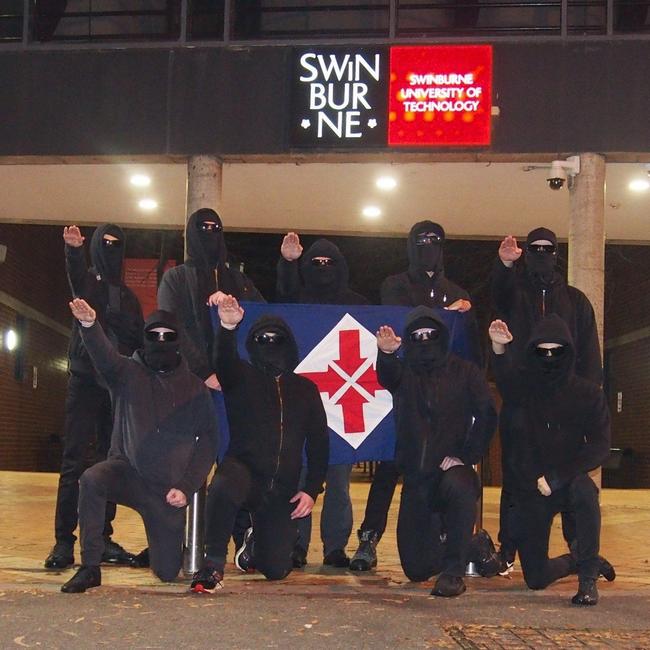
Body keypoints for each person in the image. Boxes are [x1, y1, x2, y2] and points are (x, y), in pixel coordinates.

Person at [60, 299, 219, 593]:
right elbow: (103, 355)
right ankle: (90, 566)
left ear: (178, 341)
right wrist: (89, 326)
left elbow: (209, 441)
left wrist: (186, 486)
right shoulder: (125, 374)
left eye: (167, 336)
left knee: (167, 572)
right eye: (154, 335)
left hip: (167, 491)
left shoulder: (196, 389)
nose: (160, 342)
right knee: (92, 479)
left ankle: (159, 546)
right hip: (127, 473)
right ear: (145, 339)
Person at [351, 220, 477, 572]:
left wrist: (467, 317)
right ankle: (369, 537)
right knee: (389, 466)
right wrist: (442, 316)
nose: (428, 247)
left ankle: (451, 539)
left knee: (443, 469)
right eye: (421, 241)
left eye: (434, 241)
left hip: (443, 401)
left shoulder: (458, 292)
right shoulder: (394, 285)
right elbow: (406, 321)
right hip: (402, 394)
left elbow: (468, 349)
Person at [190, 295, 329, 592]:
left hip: (281, 487)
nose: (270, 344)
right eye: (262, 339)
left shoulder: (306, 389)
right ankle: (212, 564)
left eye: (276, 339)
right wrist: (227, 328)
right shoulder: (241, 376)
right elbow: (223, 361)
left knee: (277, 570)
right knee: (223, 486)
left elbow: (319, 443)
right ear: (252, 343)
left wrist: (311, 490)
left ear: (288, 344)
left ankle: (253, 542)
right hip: (244, 472)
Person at [156, 207, 264, 568]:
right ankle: (175, 541)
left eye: (215, 228)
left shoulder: (239, 279)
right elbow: (173, 326)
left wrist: (237, 306)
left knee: (233, 463)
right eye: (201, 229)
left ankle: (239, 538)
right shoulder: (177, 279)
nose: (209, 234)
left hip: (233, 389)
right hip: (190, 385)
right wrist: (204, 371)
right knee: (184, 464)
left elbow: (265, 317)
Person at [491, 228, 604, 573]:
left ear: (557, 253)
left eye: (548, 249)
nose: (541, 254)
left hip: (566, 409)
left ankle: (581, 551)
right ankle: (508, 548)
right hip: (522, 405)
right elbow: (498, 295)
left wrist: (584, 399)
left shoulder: (575, 300)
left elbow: (589, 353)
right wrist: (505, 266)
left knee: (570, 477)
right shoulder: (516, 295)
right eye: (534, 249)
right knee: (515, 476)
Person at [375, 306, 496, 597]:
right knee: (416, 569)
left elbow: (488, 415)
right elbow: (387, 377)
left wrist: (467, 456)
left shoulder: (465, 371)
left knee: (461, 484)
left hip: (450, 475)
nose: (424, 339)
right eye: (417, 335)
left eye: (430, 334)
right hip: (417, 479)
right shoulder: (405, 373)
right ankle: (473, 546)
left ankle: (454, 571)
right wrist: (387, 354)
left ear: (441, 336)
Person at [488, 316, 610, 605]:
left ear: (568, 354)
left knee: (585, 494)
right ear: (533, 353)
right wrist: (498, 347)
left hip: (567, 480)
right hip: (532, 490)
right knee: (536, 578)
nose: (550, 358)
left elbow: (600, 446)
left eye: (557, 352)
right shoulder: (524, 390)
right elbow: (505, 380)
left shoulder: (587, 393)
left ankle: (589, 577)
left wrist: (559, 477)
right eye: (543, 352)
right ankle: (576, 560)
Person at [45, 224, 143, 570]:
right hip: (85, 382)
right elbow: (76, 280)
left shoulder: (129, 297)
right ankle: (63, 542)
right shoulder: (87, 281)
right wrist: (73, 250)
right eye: (106, 243)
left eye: (118, 244)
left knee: (110, 463)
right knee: (74, 460)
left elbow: (138, 342)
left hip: (115, 389)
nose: (111, 249)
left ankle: (101, 538)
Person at [277, 232, 368, 568]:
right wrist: (288, 263)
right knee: (300, 476)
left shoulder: (359, 305)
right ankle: (296, 544)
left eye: (330, 263)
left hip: (345, 407)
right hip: (304, 407)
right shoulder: (298, 302)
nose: (323, 268)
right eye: (315, 264)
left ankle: (335, 547)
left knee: (340, 483)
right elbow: (281, 300)